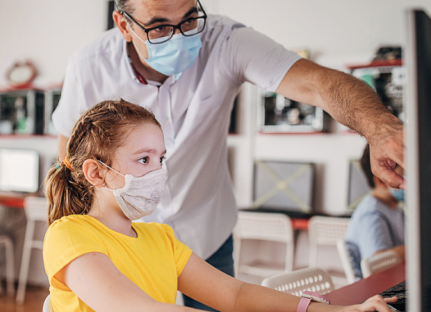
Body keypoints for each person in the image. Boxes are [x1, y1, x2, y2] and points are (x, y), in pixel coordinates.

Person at [52, 0, 404, 309]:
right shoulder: (89, 65)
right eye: (159, 26)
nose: (179, 35)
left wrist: (380, 128)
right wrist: (84, 244)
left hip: (204, 227)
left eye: (190, 19)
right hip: (115, 235)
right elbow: (70, 156)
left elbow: (319, 83)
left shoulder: (224, 40)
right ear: (124, 25)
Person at [43, 99, 396, 312]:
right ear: (96, 172)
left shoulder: (160, 239)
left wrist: (339, 310)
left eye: (161, 159)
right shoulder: (69, 235)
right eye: (144, 160)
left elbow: (236, 294)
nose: (159, 172)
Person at [345, 144, 405, 279]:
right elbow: (377, 263)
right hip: (375, 293)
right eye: (405, 176)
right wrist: (419, 247)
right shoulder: (372, 214)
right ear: (381, 181)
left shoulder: (396, 209)